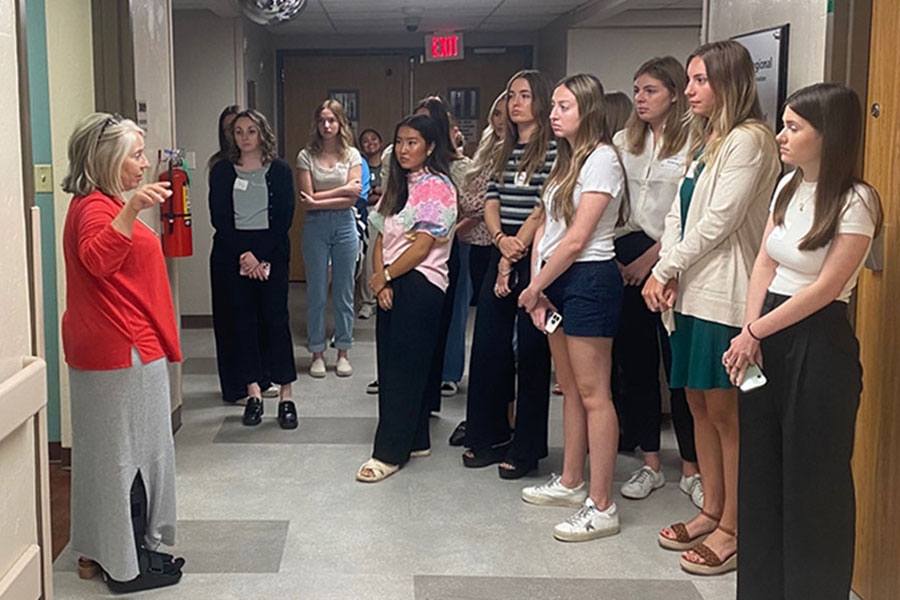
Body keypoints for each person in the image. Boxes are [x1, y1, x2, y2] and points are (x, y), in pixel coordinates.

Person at [722, 83, 882, 599]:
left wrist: (756, 331)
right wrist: (749, 330)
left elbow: (827, 288)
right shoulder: (788, 186)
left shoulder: (856, 200)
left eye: (794, 127)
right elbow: (764, 263)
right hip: (765, 334)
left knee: (814, 481)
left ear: (827, 134)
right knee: (761, 472)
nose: (781, 135)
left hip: (819, 341)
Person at [642, 40, 780, 575]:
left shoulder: (751, 140)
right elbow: (678, 216)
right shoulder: (706, 140)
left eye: (701, 80)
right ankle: (713, 509)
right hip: (692, 291)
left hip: (726, 293)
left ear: (730, 82)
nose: (691, 90)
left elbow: (720, 221)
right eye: (690, 80)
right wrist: (668, 268)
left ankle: (735, 528)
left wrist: (665, 269)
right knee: (697, 404)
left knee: (726, 413)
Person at [61, 112, 184, 592]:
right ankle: (128, 561)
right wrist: (132, 210)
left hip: (104, 347)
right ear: (108, 159)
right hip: (122, 348)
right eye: (135, 155)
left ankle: (97, 551)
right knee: (134, 458)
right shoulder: (97, 208)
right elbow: (98, 260)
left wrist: (127, 207)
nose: (143, 164)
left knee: (104, 455)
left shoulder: (93, 204)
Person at [518, 73, 627, 542]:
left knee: (594, 393)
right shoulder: (567, 159)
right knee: (569, 388)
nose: (554, 114)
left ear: (588, 110)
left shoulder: (602, 159)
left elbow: (579, 238)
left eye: (564, 107)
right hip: (556, 280)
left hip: (589, 280)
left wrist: (536, 286)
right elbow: (547, 225)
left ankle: (602, 505)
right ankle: (570, 481)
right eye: (554, 107)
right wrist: (537, 282)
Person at [612, 57, 701, 506]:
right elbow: (614, 206)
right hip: (627, 254)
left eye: (650, 90)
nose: (640, 99)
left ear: (674, 94)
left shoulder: (695, 142)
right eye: (637, 90)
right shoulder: (623, 142)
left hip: (672, 261)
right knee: (638, 364)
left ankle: (691, 467)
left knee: (678, 367)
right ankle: (650, 462)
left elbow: (688, 213)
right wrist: (624, 260)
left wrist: (653, 262)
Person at [462, 69, 555, 479]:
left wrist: (516, 246)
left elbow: (543, 206)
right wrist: (500, 241)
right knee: (488, 347)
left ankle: (527, 447)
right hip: (502, 248)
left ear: (542, 101)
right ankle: (488, 433)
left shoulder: (555, 151)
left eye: (525, 95)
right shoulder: (505, 149)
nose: (515, 103)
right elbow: (491, 199)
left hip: (535, 256)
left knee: (532, 353)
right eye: (512, 95)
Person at [357, 113, 457, 482]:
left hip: (421, 282)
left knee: (403, 370)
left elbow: (423, 246)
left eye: (412, 142)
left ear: (430, 147)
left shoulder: (437, 187)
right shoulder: (398, 185)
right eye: (399, 141)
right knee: (391, 365)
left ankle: (389, 452)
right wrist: (381, 282)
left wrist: (385, 276)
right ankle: (415, 439)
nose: (403, 149)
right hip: (393, 280)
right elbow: (381, 237)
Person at [209, 109, 298, 428]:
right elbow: (219, 218)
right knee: (243, 324)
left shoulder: (280, 170)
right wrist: (245, 256)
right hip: (234, 254)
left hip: (271, 252)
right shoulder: (222, 171)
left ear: (262, 134)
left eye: (251, 131)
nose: (245, 137)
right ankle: (254, 394)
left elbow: (284, 217)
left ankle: (286, 396)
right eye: (239, 132)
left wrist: (259, 258)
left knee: (276, 321)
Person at [448, 92, 507, 447]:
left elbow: (482, 206)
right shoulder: (486, 146)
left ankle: (496, 422)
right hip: (476, 246)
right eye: (496, 112)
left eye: (506, 113)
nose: (501, 119)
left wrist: (452, 229)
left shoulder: (512, 154)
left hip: (497, 246)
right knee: (482, 333)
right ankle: (481, 418)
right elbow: (470, 199)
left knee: (495, 338)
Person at [411, 96, 471, 403]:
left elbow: (471, 210)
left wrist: (444, 232)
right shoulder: (406, 164)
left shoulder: (460, 167)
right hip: (410, 246)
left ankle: (447, 372)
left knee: (451, 312)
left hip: (450, 246)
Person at [297, 99, 363, 378]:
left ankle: (343, 351)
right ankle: (317, 353)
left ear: (341, 123)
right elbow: (306, 200)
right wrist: (341, 190)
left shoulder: (352, 155)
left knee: (344, 292)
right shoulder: (306, 156)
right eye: (322, 120)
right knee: (316, 292)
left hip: (345, 225)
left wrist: (318, 198)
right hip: (316, 227)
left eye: (332, 120)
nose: (327, 125)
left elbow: (352, 198)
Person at [357, 128, 384, 319]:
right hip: (368, 215)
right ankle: (368, 302)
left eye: (374, 139)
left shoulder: (390, 163)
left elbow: (393, 191)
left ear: (380, 142)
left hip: (391, 214)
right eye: (365, 141)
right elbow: (363, 196)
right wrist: (377, 191)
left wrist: (379, 191)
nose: (370, 143)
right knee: (367, 261)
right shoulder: (360, 165)